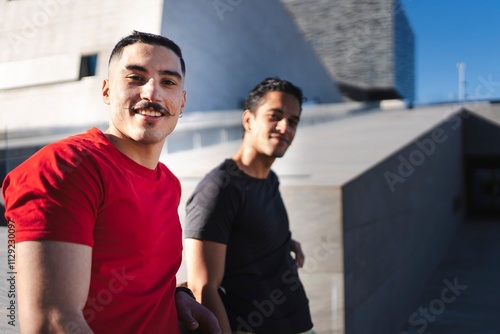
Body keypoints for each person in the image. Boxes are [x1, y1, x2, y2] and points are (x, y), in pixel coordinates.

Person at [2, 31, 220, 334]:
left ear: (181, 102)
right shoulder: (64, 168)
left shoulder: (168, 182)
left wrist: (176, 297)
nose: (152, 93)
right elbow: (54, 323)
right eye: (135, 78)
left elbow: (141, 276)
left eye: (168, 82)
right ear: (106, 91)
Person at [184, 77, 314, 333]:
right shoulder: (218, 188)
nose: (285, 127)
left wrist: (282, 241)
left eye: (293, 120)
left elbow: (248, 230)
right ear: (248, 120)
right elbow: (202, 288)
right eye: (274, 116)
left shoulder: (270, 180)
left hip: (301, 323)